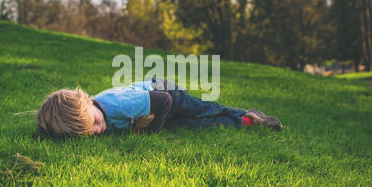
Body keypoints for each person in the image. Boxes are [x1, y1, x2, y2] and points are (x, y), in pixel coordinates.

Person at [36, 78, 282, 138]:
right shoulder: (87, 116)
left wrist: (152, 129)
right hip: (155, 107)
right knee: (194, 127)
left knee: (201, 109)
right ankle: (246, 122)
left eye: (97, 123)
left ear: (88, 100)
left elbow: (164, 101)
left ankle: (239, 112)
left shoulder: (121, 105)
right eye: (92, 132)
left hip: (164, 92)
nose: (100, 130)